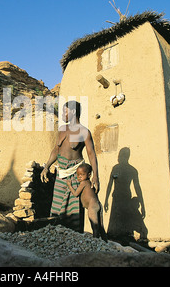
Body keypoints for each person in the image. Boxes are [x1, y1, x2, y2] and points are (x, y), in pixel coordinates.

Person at [41, 101, 99, 233]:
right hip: (61, 174)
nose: (62, 114)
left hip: (75, 175)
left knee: (74, 210)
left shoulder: (84, 132)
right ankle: (56, 235)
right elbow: (56, 150)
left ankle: (74, 237)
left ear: (73, 112)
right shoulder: (62, 129)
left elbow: (91, 154)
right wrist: (46, 166)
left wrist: (96, 176)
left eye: (64, 111)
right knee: (56, 208)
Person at [66, 163, 107, 241]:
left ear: (89, 175)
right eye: (78, 175)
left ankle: (95, 241)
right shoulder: (90, 183)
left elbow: (75, 194)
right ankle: (105, 241)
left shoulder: (83, 183)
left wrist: (70, 186)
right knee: (100, 226)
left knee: (94, 226)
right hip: (97, 204)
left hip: (92, 206)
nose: (79, 177)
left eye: (82, 174)